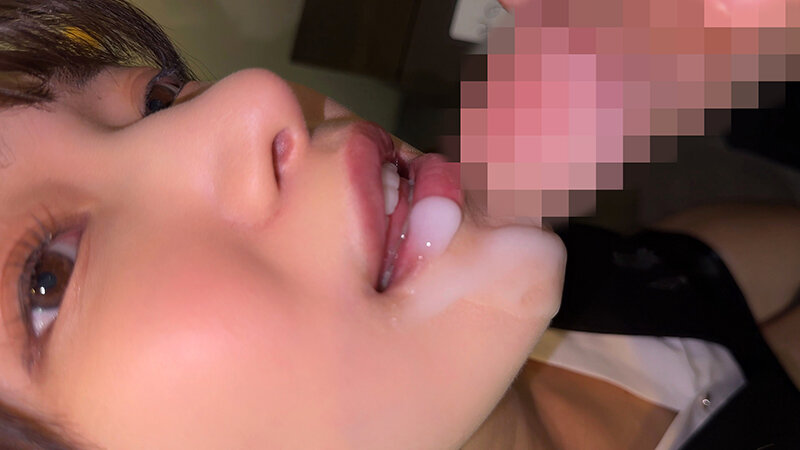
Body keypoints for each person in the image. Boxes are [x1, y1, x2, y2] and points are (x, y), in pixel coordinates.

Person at [0, 0, 797, 449]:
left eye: (152, 100)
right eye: (47, 278)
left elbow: (705, 273)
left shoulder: (491, 281)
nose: (249, 94)